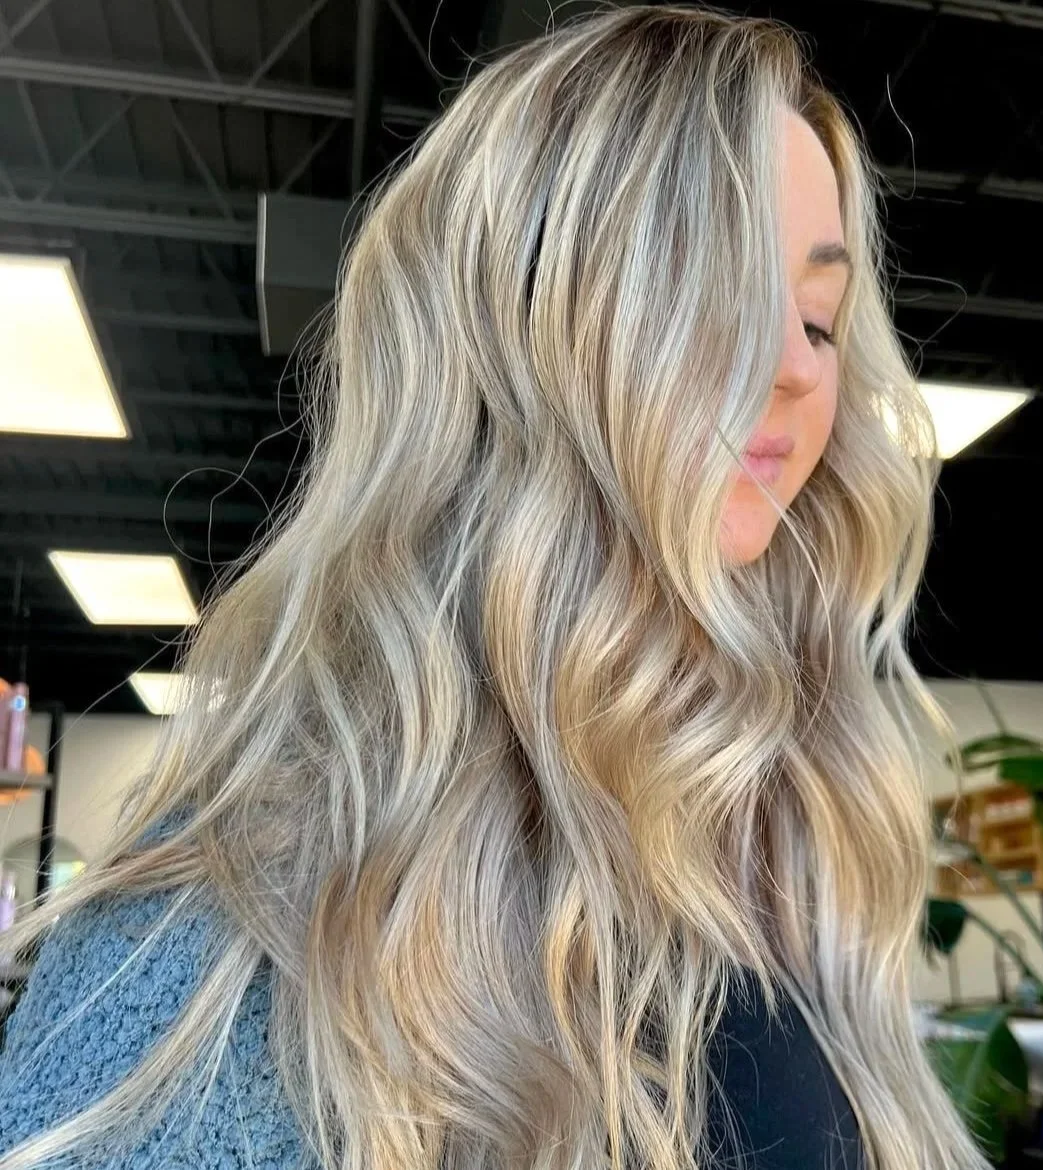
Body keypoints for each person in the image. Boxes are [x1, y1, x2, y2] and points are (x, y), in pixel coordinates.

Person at [0, 7, 988, 1170]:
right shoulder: (229, 919)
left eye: (819, 316)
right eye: (705, 286)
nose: (792, 363)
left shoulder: (780, 832)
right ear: (508, 332)